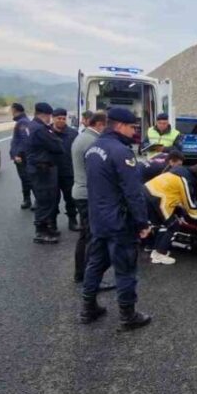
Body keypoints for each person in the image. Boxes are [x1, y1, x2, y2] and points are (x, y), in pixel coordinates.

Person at [80, 107, 152, 329]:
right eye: (132, 127)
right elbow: (133, 192)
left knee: (95, 264)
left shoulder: (93, 149)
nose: (134, 132)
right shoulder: (121, 152)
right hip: (119, 221)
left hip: (98, 219)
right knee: (125, 269)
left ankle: (88, 308)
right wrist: (142, 222)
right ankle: (127, 315)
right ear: (120, 125)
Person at [144, 164, 197, 265]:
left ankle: (154, 249)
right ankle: (160, 253)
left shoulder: (177, 171)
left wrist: (181, 214)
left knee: (161, 223)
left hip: (146, 191)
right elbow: (190, 205)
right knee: (173, 225)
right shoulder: (185, 180)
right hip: (158, 198)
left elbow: (174, 197)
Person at [72, 110, 107, 282]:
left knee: (85, 236)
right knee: (91, 238)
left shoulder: (82, 137)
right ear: (100, 124)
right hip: (87, 194)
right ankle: (88, 277)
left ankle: (81, 274)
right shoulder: (92, 141)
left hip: (80, 191)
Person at [26, 102, 64, 244]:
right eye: (50, 116)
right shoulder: (40, 129)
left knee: (45, 199)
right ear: (46, 115)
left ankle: (45, 228)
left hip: (38, 168)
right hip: (41, 168)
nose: (50, 119)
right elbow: (57, 146)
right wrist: (57, 140)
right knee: (45, 200)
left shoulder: (32, 126)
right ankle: (41, 232)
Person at [52, 108, 80, 232]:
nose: (61, 121)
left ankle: (72, 220)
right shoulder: (46, 132)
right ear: (53, 118)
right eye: (59, 118)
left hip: (68, 172)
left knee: (70, 199)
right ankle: (52, 223)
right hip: (51, 173)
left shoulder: (73, 134)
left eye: (63, 118)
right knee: (53, 200)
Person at [9, 103, 32, 209]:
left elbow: (24, 139)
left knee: (26, 178)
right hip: (21, 156)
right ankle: (27, 199)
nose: (11, 112)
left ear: (15, 110)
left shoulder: (23, 122)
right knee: (25, 178)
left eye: (11, 110)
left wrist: (18, 154)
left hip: (22, 157)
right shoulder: (21, 121)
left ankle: (29, 200)